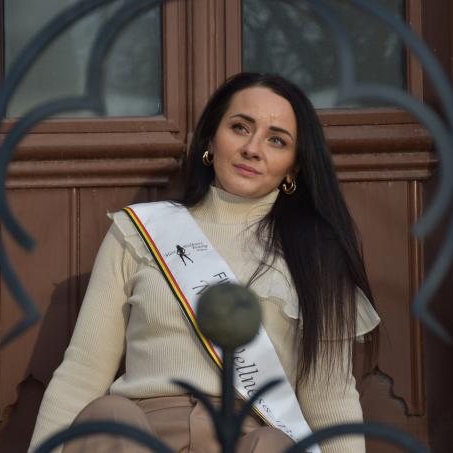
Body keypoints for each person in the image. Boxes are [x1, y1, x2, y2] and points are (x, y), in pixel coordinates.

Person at [28, 72, 380, 453]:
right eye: (240, 128)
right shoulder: (139, 232)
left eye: (276, 140)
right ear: (211, 139)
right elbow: (82, 371)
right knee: (107, 415)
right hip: (139, 437)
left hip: (250, 440)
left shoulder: (317, 259)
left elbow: (330, 400)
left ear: (293, 168)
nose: (252, 149)